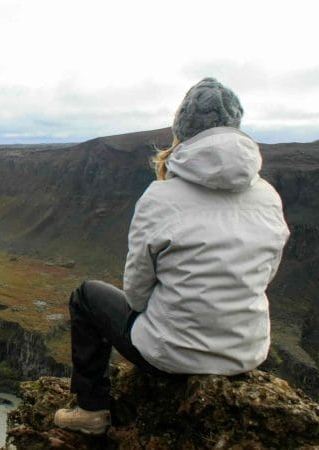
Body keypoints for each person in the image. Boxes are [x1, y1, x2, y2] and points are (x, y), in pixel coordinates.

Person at [53, 78, 291, 435]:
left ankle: (92, 409)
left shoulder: (160, 198)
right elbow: (264, 274)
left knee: (86, 296)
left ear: (183, 131)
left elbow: (135, 294)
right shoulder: (268, 196)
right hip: (246, 352)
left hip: (171, 355)